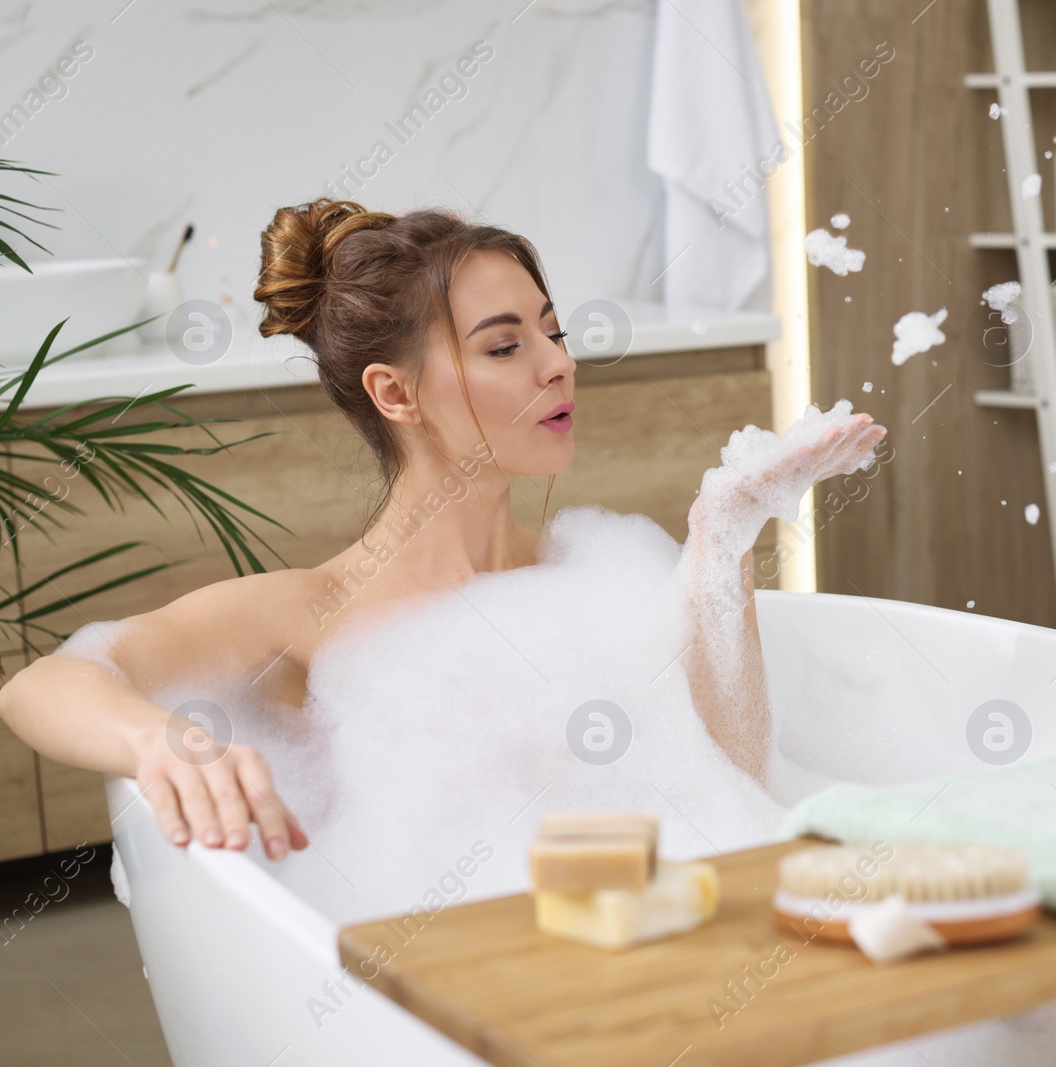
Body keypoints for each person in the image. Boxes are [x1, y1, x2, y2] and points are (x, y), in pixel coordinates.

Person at [0, 198, 884, 864]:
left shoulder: (604, 574)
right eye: (505, 347)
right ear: (396, 393)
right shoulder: (313, 614)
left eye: (553, 330)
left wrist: (721, 545)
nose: (559, 362)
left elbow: (737, 781)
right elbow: (45, 684)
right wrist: (162, 737)